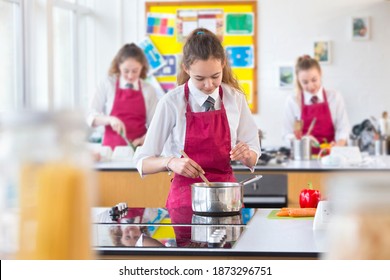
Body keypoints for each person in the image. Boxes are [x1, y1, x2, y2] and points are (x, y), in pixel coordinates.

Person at [133, 28, 261, 209]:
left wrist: (247, 155)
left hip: (227, 200)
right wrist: (170, 162)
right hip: (186, 201)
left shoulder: (235, 98)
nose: (209, 85)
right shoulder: (171, 102)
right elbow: (142, 161)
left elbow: (253, 153)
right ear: (186, 68)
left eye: (215, 76)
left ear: (223, 63)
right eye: (200, 78)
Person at [87, 43, 158, 150]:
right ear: (118, 66)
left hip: (139, 150)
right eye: (126, 71)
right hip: (111, 151)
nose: (130, 76)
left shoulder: (148, 90)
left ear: (142, 67)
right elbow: (90, 116)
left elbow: (156, 125)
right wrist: (110, 119)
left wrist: (144, 139)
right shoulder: (107, 84)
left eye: (135, 71)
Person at [283, 55, 350, 150]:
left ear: (320, 74)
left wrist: (338, 146)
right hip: (303, 158)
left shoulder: (334, 97)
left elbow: (343, 129)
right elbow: (287, 134)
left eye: (314, 80)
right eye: (305, 82)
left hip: (331, 157)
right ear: (298, 80)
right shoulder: (292, 101)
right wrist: (300, 143)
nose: (310, 86)